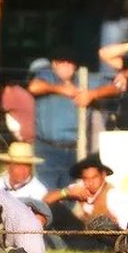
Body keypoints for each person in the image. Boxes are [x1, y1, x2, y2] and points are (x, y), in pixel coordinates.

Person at [29, 47, 116, 190]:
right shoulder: (46, 76)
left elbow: (116, 87)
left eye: (69, 63)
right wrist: (62, 89)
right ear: (54, 64)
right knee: (44, 192)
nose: (65, 66)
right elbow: (34, 87)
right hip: (47, 149)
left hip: (75, 150)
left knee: (73, 194)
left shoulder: (84, 79)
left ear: (74, 65)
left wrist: (92, 94)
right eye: (61, 62)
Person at [43, 153, 120, 250]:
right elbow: (45, 201)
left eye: (94, 177)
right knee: (53, 208)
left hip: (105, 241)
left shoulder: (112, 194)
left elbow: (123, 228)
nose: (90, 182)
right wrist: (67, 192)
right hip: (80, 236)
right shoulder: (78, 188)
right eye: (86, 179)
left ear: (103, 175)